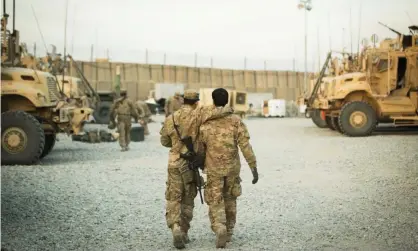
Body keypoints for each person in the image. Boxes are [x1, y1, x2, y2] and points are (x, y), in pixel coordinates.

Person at [159, 89, 233, 249]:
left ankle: (176, 227)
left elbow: (164, 141)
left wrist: (176, 145)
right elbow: (218, 112)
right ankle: (184, 231)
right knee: (187, 199)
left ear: (183, 101)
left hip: (174, 164)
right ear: (197, 102)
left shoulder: (170, 118)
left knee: (173, 197)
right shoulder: (200, 114)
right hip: (191, 163)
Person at [198, 88, 258, 248]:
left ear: (213, 100)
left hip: (213, 169)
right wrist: (253, 166)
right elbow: (245, 145)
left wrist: (199, 165)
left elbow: (200, 149)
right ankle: (229, 231)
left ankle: (219, 227)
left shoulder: (206, 123)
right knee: (231, 198)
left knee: (215, 199)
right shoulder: (236, 121)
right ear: (227, 101)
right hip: (232, 169)